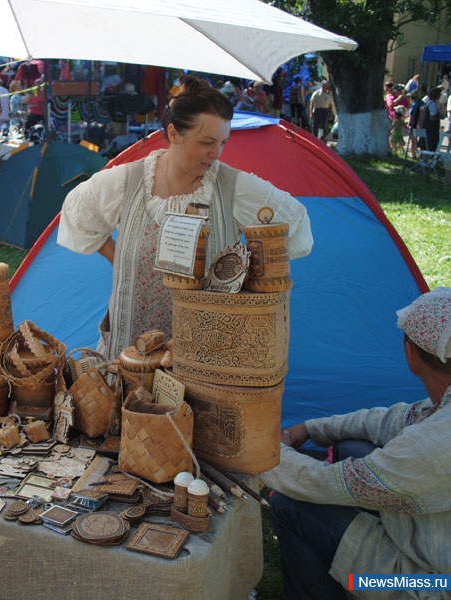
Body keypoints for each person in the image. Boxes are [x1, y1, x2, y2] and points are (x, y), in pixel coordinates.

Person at [58, 75, 312, 359]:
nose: (216, 153)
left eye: (223, 142)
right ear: (174, 133)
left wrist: (245, 276)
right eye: (206, 142)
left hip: (206, 358)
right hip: (130, 351)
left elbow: (295, 223)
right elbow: (77, 211)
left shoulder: (234, 188)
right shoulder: (128, 181)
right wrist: (117, 256)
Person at [263, 287, 451, 600]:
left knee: (289, 506)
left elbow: (325, 483)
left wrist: (267, 454)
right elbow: (391, 421)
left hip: (433, 587)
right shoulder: (437, 416)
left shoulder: (430, 447)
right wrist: (309, 429)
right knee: (351, 447)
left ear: (411, 352)